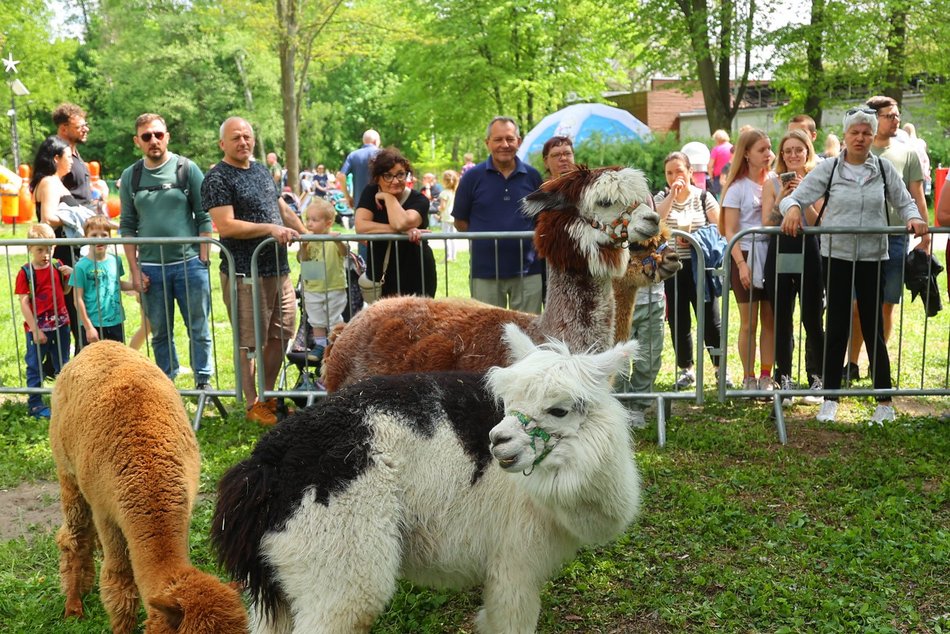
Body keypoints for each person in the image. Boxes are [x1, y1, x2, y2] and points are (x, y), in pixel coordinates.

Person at [779, 107, 928, 424]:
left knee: (873, 327)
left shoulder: (885, 169)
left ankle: (884, 401)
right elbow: (794, 198)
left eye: (866, 133)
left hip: (874, 257)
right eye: (854, 132)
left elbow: (904, 201)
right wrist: (792, 209)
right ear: (845, 136)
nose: (860, 138)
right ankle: (830, 398)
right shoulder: (829, 169)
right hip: (837, 256)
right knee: (836, 326)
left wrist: (914, 217)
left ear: (873, 137)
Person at [202, 116, 307, 425]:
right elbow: (226, 225)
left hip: (278, 269)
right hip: (244, 272)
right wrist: (270, 229)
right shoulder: (218, 178)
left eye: (247, 136)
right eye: (236, 137)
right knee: (250, 341)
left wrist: (306, 236)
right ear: (223, 143)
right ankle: (252, 404)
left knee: (281, 333)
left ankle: (268, 395)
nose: (243, 142)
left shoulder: (261, 170)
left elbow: (282, 209)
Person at [119, 113, 214, 390]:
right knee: (160, 332)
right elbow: (127, 225)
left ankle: (203, 382)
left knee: (199, 328)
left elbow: (204, 216)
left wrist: (203, 257)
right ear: (138, 141)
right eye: (147, 136)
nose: (154, 141)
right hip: (151, 269)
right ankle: (166, 383)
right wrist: (135, 271)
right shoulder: (131, 176)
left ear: (167, 136)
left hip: (189, 265)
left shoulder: (187, 168)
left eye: (158, 134)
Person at [844, 96, 930, 382]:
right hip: (859, 238)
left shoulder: (908, 153)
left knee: (885, 305)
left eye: (897, 115)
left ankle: (876, 364)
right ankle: (851, 363)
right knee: (857, 306)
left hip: (894, 238)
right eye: (889, 116)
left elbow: (916, 195)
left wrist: (925, 234)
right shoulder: (855, 151)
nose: (896, 120)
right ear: (873, 118)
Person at [760, 129, 826, 405]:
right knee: (782, 317)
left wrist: (803, 196)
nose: (793, 155)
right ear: (782, 155)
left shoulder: (818, 180)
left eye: (799, 149)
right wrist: (782, 199)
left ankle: (817, 378)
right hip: (781, 250)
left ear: (808, 151)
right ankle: (784, 377)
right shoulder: (771, 182)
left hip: (810, 251)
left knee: (812, 316)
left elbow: (819, 221)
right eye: (788, 150)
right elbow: (767, 223)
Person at [453, 116, 544, 313]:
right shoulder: (471, 178)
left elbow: (541, 220)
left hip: (528, 272)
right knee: (486, 334)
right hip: (485, 272)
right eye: (498, 139)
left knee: (529, 335)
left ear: (518, 142)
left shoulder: (533, 176)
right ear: (488, 143)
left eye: (510, 139)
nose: (505, 144)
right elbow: (460, 221)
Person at [656, 151, 729, 390]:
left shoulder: (704, 196)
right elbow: (655, 222)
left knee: (710, 319)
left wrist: (696, 238)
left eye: (679, 171)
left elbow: (721, 228)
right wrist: (671, 197)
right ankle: (686, 369)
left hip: (701, 266)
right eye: (669, 172)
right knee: (678, 320)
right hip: (672, 267)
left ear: (689, 172)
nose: (675, 176)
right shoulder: (662, 196)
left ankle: (720, 369)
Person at [720, 128, 776, 393]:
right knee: (748, 321)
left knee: (771, 319)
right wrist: (741, 264)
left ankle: (767, 374)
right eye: (761, 150)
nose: (768, 154)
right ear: (747, 154)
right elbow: (730, 230)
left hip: (771, 253)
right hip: (745, 254)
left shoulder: (775, 181)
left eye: (769, 148)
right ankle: (748, 376)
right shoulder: (737, 189)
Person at [354, 147, 437, 298]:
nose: (395, 181)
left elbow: (402, 222)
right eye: (388, 176)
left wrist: (388, 197)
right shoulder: (370, 192)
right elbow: (361, 226)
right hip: (382, 273)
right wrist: (403, 232)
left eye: (401, 175)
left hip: (416, 272)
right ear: (377, 178)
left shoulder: (419, 200)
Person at [30, 135, 87, 352]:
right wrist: (76, 216)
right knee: (75, 310)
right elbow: (48, 217)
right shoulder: (50, 182)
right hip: (63, 254)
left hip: (67, 252)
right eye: (68, 155)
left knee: (72, 310)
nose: (72, 160)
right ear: (56, 158)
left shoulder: (53, 182)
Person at [16, 223, 72, 419]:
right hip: (38, 327)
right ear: (30, 248)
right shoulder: (26, 272)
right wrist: (35, 329)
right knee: (35, 365)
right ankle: (35, 404)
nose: (45, 254)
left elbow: (64, 292)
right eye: (40, 249)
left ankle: (64, 401)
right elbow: (24, 303)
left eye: (49, 248)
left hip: (61, 324)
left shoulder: (57, 265)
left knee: (63, 363)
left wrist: (68, 278)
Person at [299, 198, 350, 363]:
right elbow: (302, 259)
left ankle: (338, 344)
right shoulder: (308, 239)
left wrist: (338, 241)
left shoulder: (334, 238)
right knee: (316, 320)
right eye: (308, 219)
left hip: (334, 286)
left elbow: (345, 253)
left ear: (328, 223)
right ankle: (320, 346)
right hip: (313, 287)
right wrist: (303, 246)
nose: (309, 223)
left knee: (335, 318)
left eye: (314, 220)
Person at [69, 215, 132, 346]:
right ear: (86, 237)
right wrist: (88, 327)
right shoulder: (81, 267)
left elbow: (117, 284)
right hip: (93, 324)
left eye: (104, 235)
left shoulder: (116, 261)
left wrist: (135, 286)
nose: (99, 239)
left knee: (116, 360)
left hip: (115, 322)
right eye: (94, 235)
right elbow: (77, 299)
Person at [53, 103, 109, 208]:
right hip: (70, 222)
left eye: (86, 125)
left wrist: (94, 192)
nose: (86, 129)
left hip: (84, 220)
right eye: (80, 127)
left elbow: (75, 190)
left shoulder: (73, 153)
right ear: (64, 129)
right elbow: (51, 191)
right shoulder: (56, 156)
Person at [337, 129, 381, 208]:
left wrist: (348, 197)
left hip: (360, 204)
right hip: (380, 204)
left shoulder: (353, 155)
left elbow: (341, 176)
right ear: (375, 141)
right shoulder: (383, 155)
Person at [902, 123, 932, 197]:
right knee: (920, 197)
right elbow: (925, 159)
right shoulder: (921, 142)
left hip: (911, 174)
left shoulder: (905, 143)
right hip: (923, 174)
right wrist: (926, 172)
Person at [438, 170, 459, 262]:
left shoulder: (444, 193)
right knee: (453, 237)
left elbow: (442, 206)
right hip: (454, 217)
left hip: (446, 217)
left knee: (445, 237)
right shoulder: (455, 192)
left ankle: (448, 257)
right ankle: (453, 256)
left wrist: (439, 209)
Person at [707, 129, 732, 199]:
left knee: (720, 199)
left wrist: (711, 177)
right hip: (732, 175)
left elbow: (710, 166)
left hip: (719, 178)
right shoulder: (732, 148)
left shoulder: (716, 149)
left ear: (716, 139)